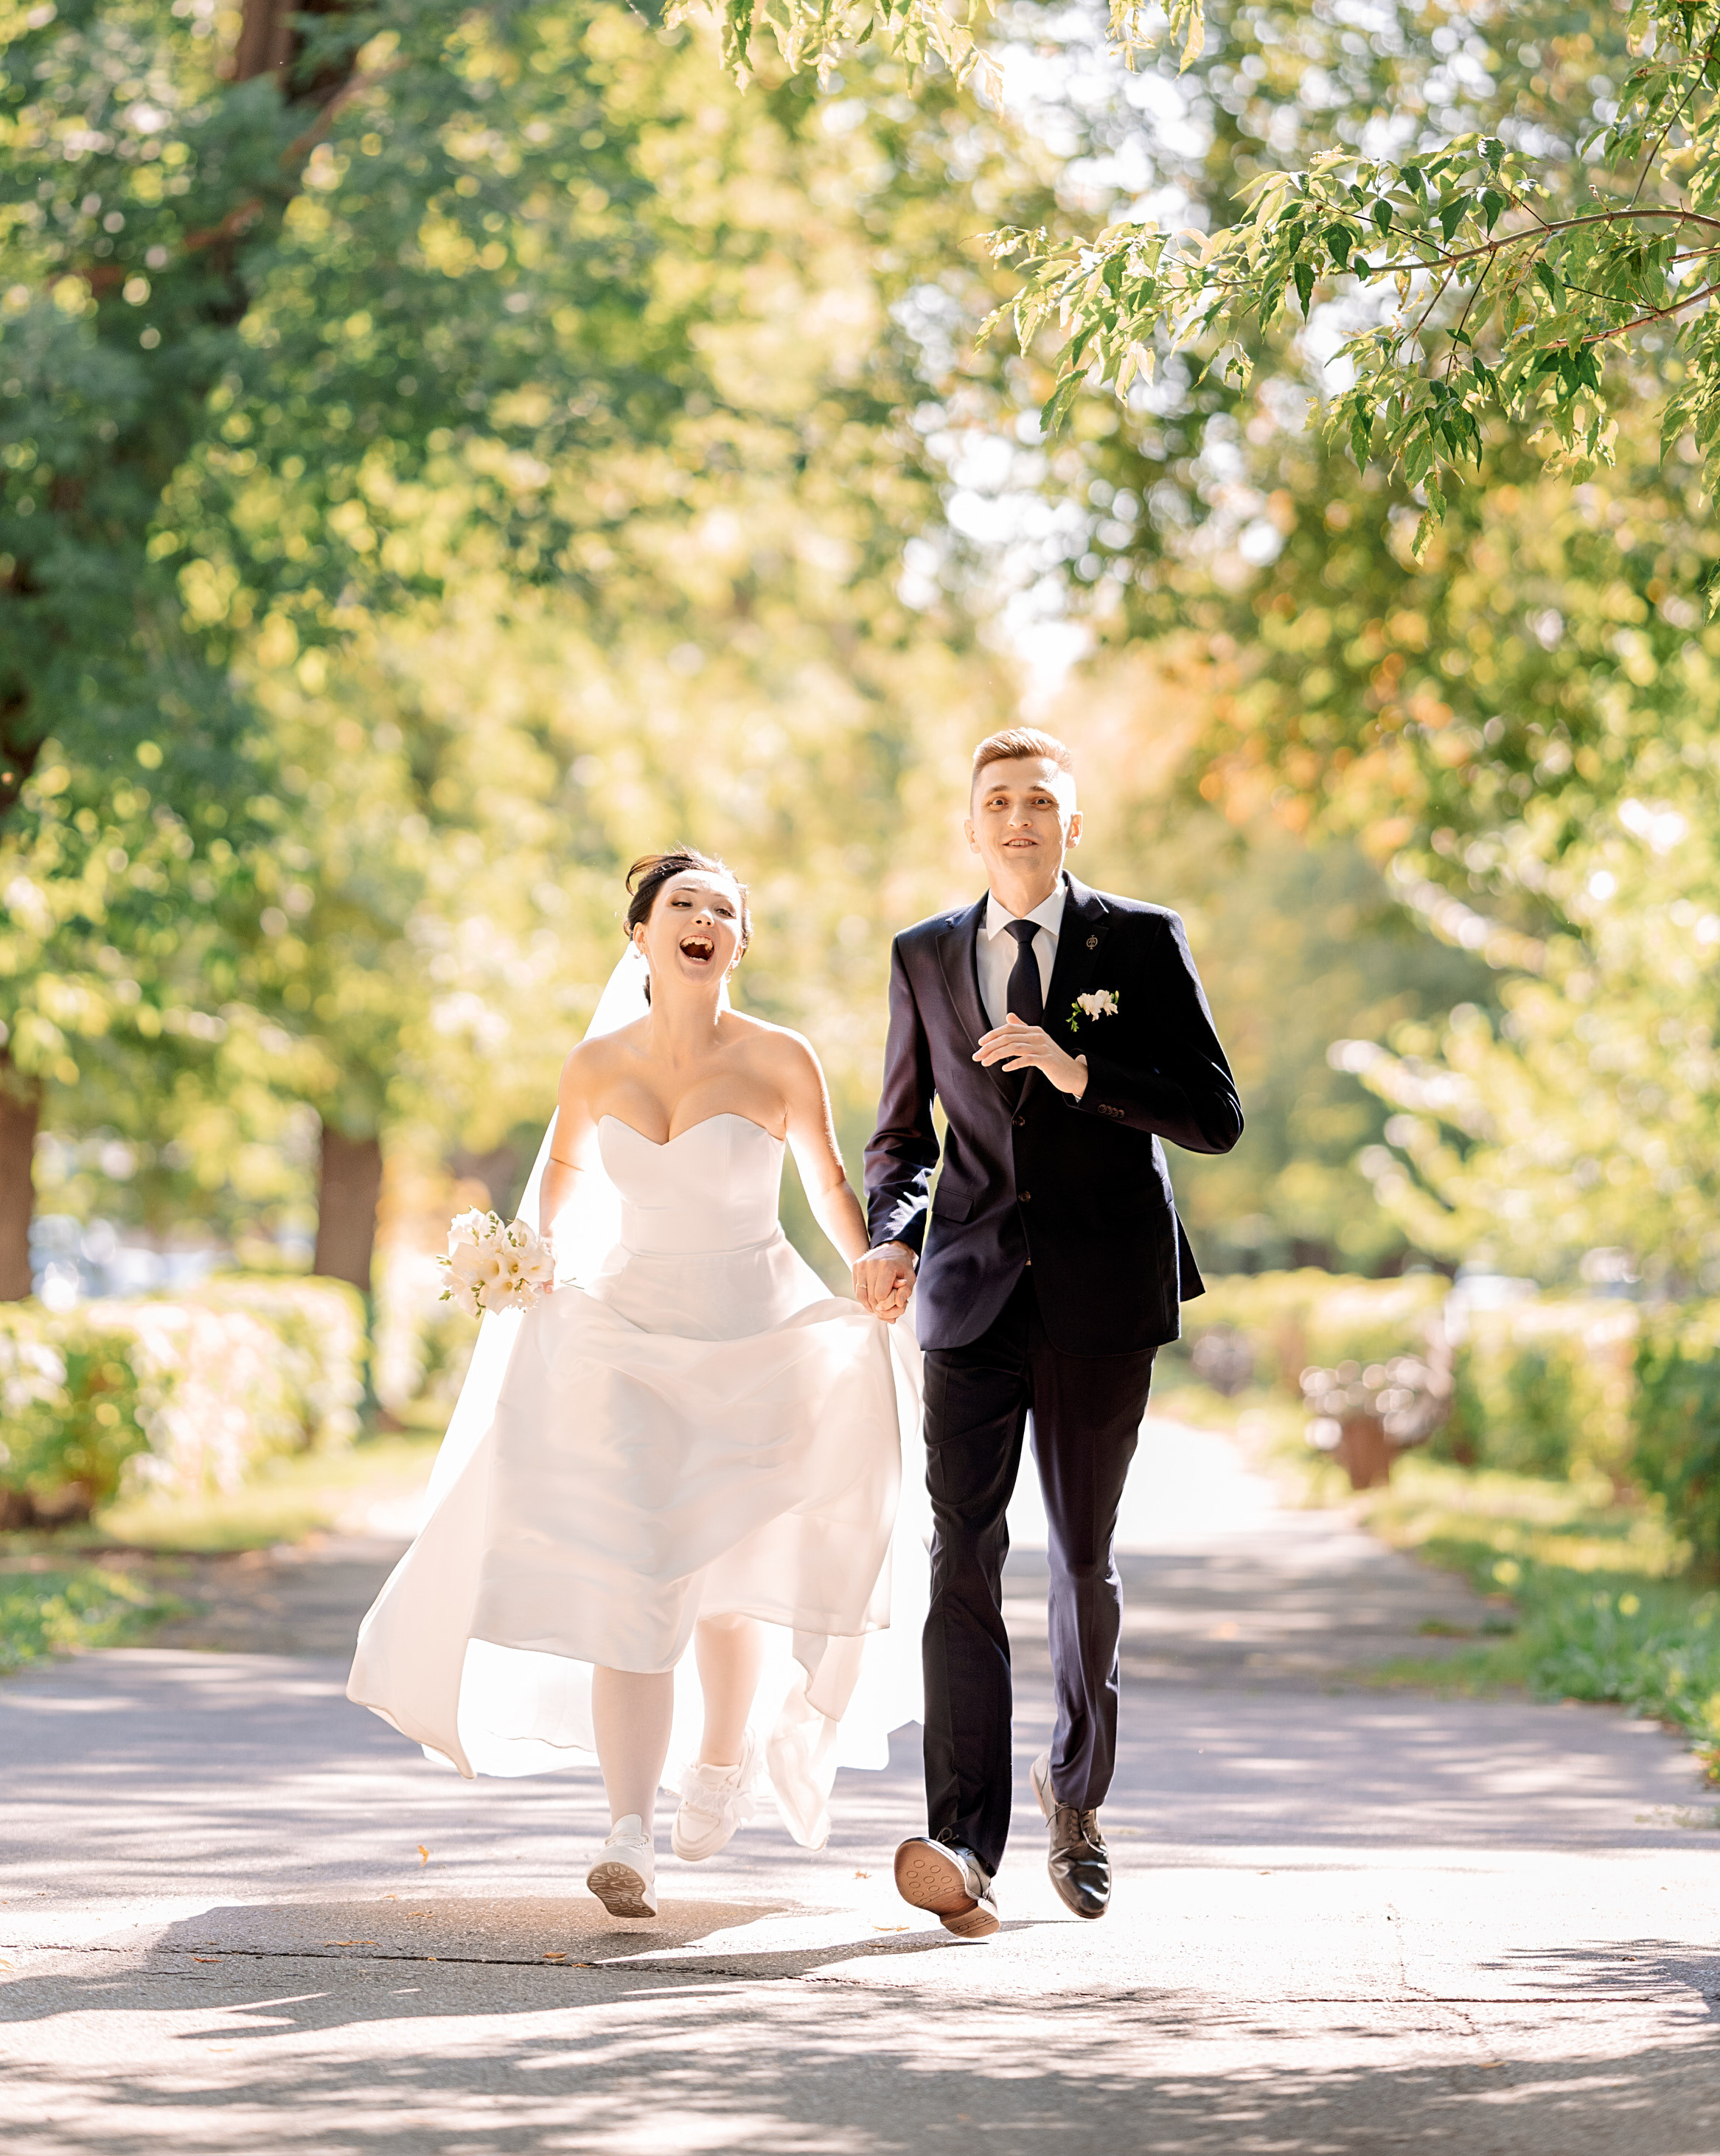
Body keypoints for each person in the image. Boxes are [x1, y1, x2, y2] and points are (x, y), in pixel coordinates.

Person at [349, 849, 923, 1920]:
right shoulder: (595, 1065)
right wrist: (524, 1263)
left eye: (721, 910)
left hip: (754, 1334)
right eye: (681, 906)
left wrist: (869, 1260)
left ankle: (718, 1766)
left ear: (738, 944)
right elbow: (561, 1184)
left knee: (728, 1570)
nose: (701, 920)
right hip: (625, 1328)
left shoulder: (781, 1057)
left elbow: (830, 1184)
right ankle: (626, 1829)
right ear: (641, 937)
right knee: (639, 1572)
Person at [853, 728, 1242, 1937]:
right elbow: (902, 1138)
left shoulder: (1138, 939)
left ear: (1073, 826)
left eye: (1039, 801)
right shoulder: (924, 954)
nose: (1017, 817)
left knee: (1081, 1558)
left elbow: (1215, 1116)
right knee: (957, 1553)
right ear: (969, 827)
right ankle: (963, 1843)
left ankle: (1076, 1801)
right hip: (968, 1293)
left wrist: (1084, 1071)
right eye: (996, 800)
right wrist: (893, 1233)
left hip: (1100, 1291)